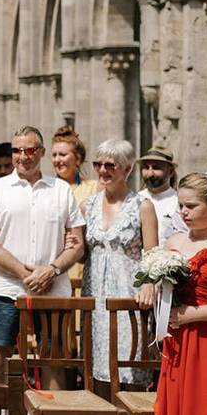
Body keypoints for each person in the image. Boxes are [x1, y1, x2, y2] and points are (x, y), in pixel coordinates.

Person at [0, 126, 86, 415]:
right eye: (18, 151)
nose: (23, 156)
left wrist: (51, 270)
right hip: (8, 288)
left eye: (30, 150)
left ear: (40, 153)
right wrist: (25, 273)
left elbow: (77, 243)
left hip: (52, 288)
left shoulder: (61, 191)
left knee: (53, 357)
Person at [82, 139, 158, 386]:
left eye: (110, 165)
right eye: (98, 164)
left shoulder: (142, 206)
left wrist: (148, 285)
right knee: (96, 360)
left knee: (129, 357)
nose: (103, 171)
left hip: (128, 292)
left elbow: (153, 253)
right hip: (95, 293)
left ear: (127, 169)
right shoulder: (88, 205)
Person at [155, 173, 207, 415]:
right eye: (180, 206)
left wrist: (193, 315)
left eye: (191, 205)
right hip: (181, 343)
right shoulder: (175, 242)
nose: (183, 212)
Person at [50, 126, 97, 283]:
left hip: (83, 267)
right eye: (54, 155)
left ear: (78, 159)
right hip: (52, 265)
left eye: (63, 155)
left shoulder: (94, 189)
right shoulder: (45, 189)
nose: (57, 160)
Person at [138, 146, 188, 246]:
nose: (150, 173)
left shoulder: (179, 202)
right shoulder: (134, 200)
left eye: (156, 168)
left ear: (170, 171)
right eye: (146, 167)